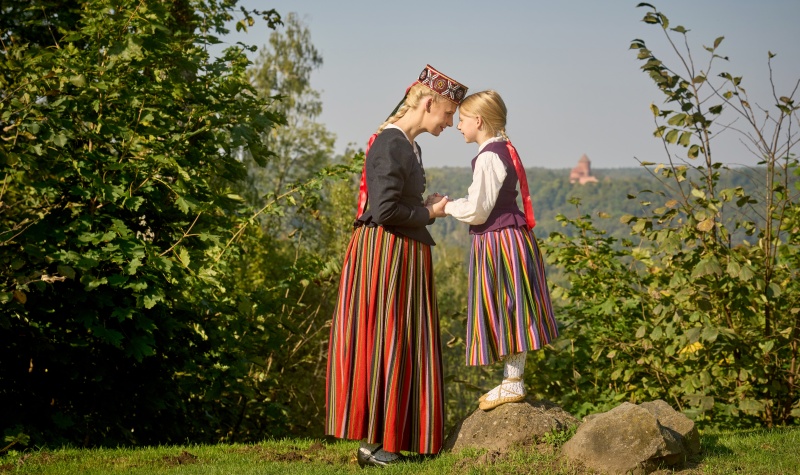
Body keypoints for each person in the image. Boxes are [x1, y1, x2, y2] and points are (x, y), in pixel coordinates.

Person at [325, 65, 467, 467]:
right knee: (389, 342)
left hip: (396, 257)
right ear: (428, 103)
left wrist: (426, 208)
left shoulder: (405, 143)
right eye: (447, 113)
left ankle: (387, 441)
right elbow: (384, 210)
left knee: (398, 342)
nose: (449, 122)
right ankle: (378, 446)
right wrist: (430, 211)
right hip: (386, 259)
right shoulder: (392, 143)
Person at [442, 90, 559, 411]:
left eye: (462, 120)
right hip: (505, 238)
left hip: (500, 241)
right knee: (510, 305)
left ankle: (513, 382)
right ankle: (511, 380)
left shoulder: (491, 156)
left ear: (478, 121)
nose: (459, 126)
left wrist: (445, 206)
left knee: (508, 305)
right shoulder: (500, 150)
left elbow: (479, 210)